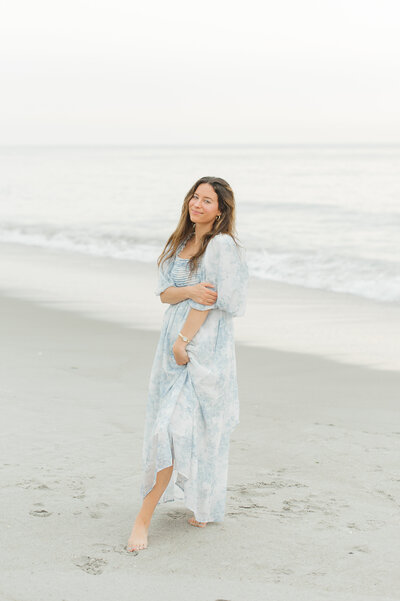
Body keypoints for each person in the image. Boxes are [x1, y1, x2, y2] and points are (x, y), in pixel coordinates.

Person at [127, 176, 249, 551]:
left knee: (179, 428)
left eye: (207, 200)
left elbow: (209, 300)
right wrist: (189, 291)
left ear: (221, 210)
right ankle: (203, 503)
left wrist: (184, 341)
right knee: (176, 426)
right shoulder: (181, 242)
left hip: (201, 347)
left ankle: (143, 520)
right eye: (195, 197)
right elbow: (166, 294)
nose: (197, 204)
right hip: (172, 344)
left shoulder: (222, 246)